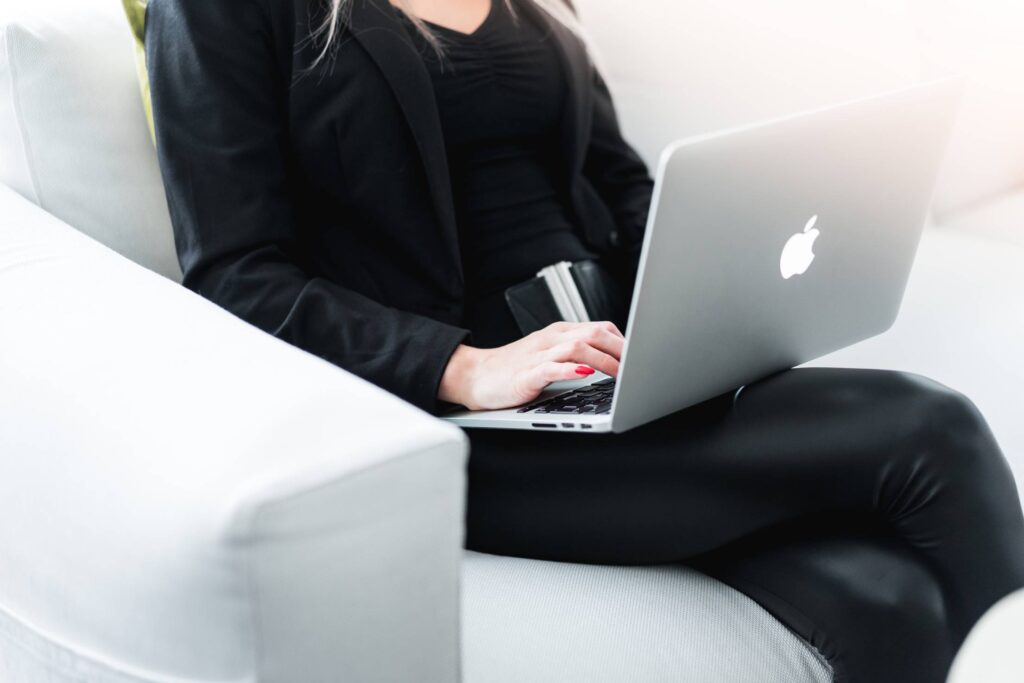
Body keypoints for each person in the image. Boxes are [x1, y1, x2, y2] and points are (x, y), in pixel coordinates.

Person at [146, 0, 1024, 679]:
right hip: (474, 416)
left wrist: (724, 285)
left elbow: (618, 185)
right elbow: (236, 272)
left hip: (620, 368)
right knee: (928, 425)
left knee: (891, 602)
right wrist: (462, 365)